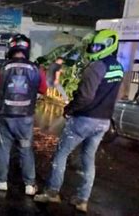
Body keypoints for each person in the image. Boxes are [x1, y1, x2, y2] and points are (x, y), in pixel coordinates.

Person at [34, 29, 124, 213]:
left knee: (61, 154)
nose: (94, 49)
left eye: (98, 46)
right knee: (88, 160)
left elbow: (85, 96)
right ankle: (82, 199)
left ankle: (52, 192)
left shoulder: (96, 67)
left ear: (108, 45)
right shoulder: (118, 67)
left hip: (84, 119)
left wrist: (69, 109)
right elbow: (114, 94)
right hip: (103, 121)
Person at [0, 34, 47, 196]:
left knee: (4, 148)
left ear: (10, 48)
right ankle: (29, 184)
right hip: (26, 118)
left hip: (5, 116)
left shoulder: (0, 69)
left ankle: (1, 180)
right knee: (26, 149)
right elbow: (43, 89)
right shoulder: (36, 69)